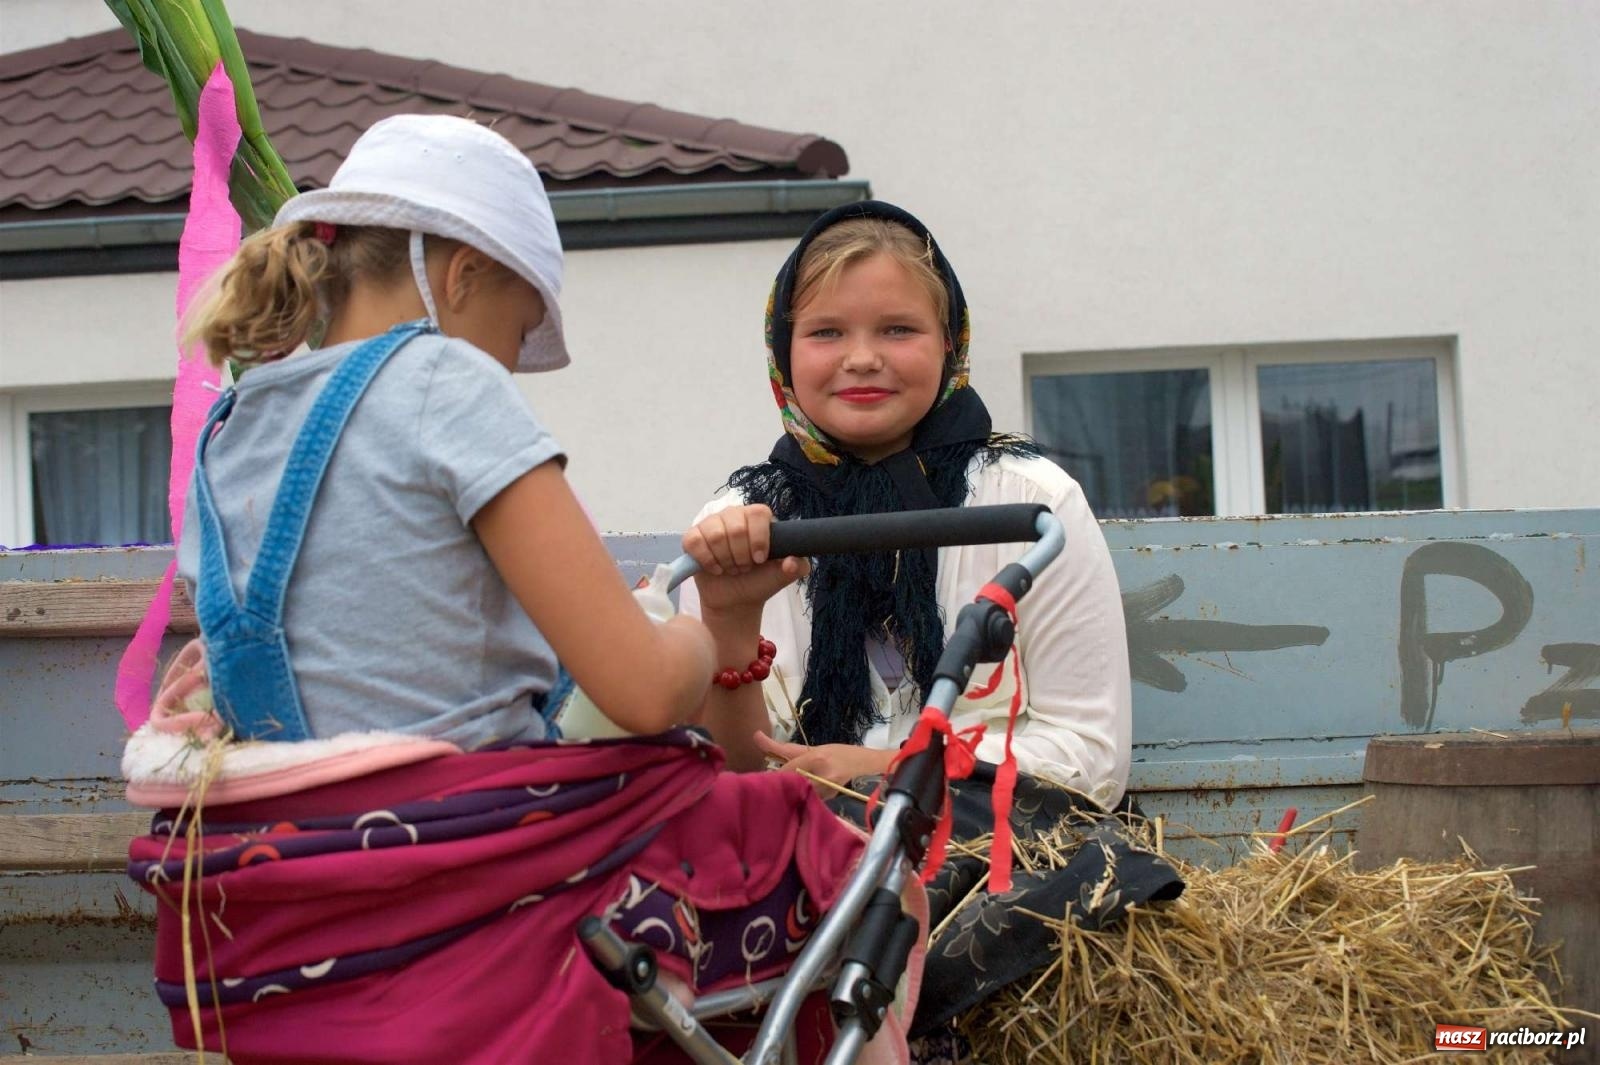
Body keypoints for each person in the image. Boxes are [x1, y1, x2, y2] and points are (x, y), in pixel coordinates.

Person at [679, 201, 1182, 1046]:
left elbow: (1090, 760)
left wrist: (879, 773)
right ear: (782, 353)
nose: (863, 359)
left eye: (899, 329)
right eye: (827, 332)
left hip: (982, 848)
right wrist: (730, 618)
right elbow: (725, 775)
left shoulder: (1029, 503)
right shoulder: (742, 520)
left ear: (950, 345)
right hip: (801, 850)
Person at [177, 113, 722, 746]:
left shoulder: (235, 424)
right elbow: (645, 691)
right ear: (460, 277)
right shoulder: (446, 380)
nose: (510, 367)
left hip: (283, 835)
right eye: (518, 333)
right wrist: (693, 641)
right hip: (465, 829)